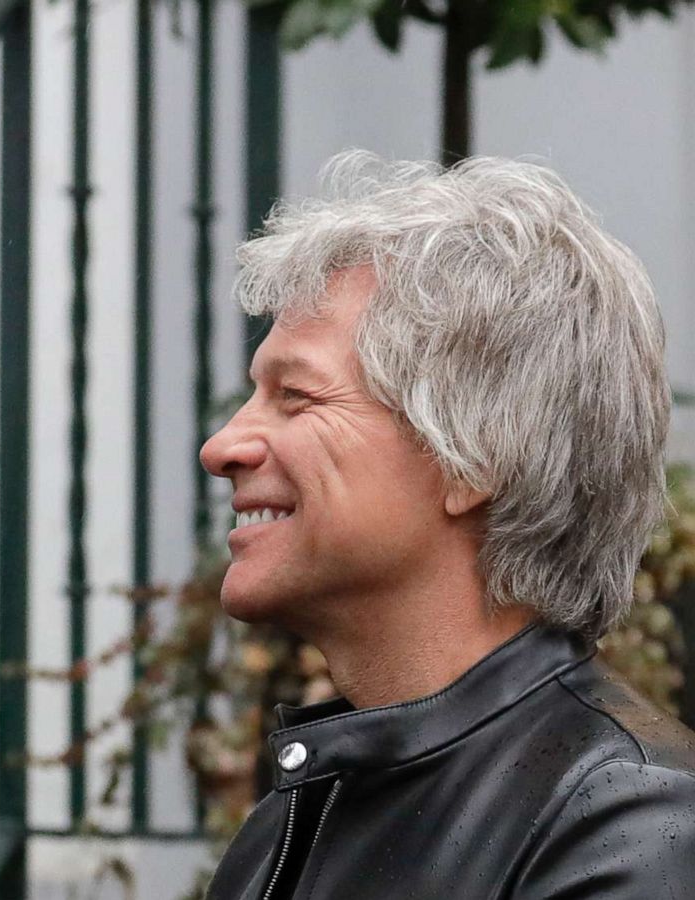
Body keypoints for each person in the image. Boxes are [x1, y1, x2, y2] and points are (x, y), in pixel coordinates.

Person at [199, 152, 695, 899]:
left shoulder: (625, 820)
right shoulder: (294, 820)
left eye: (296, 397)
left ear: (474, 458)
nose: (222, 447)